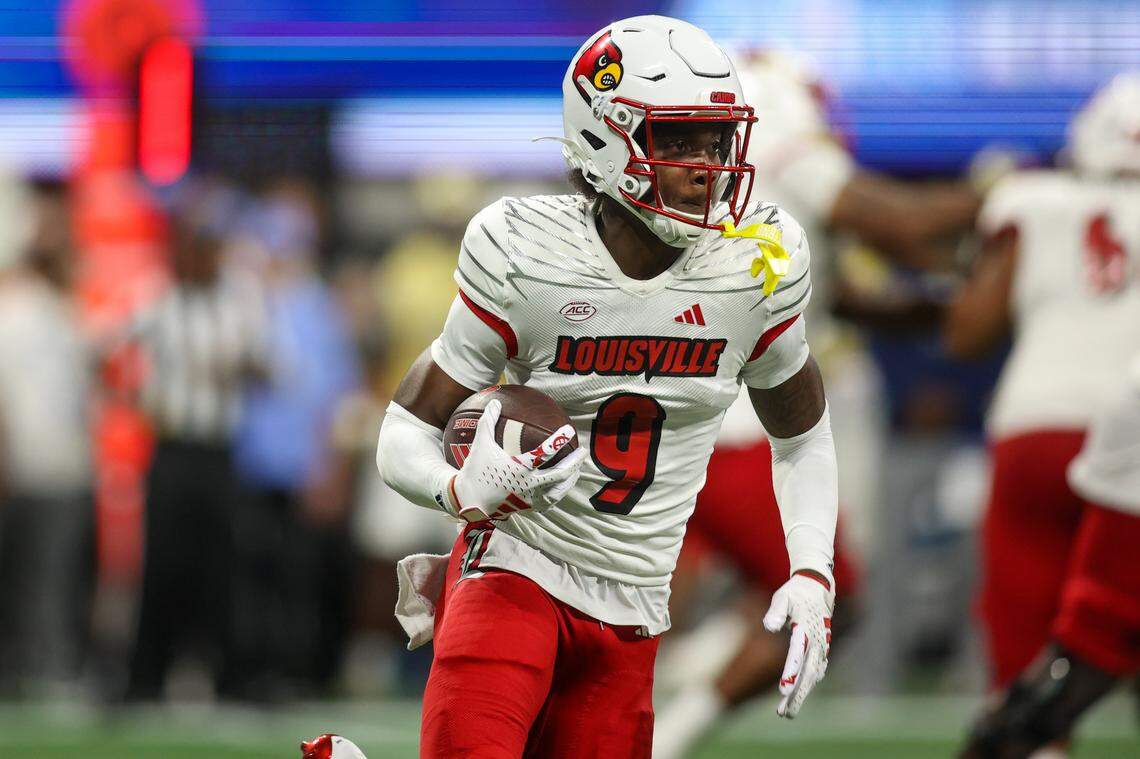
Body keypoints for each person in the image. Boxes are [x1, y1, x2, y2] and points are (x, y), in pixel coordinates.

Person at [376, 16, 839, 756]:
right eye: (678, 141)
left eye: (717, 140)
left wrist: (813, 569)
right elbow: (405, 428)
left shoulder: (755, 264)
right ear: (604, 138)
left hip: (636, 609)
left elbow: (802, 437)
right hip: (515, 572)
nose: (706, 166)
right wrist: (456, 490)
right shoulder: (528, 253)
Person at [654, 50, 985, 759]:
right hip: (738, 426)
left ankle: (654, 708)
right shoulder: (777, 138)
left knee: (692, 597)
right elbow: (898, 222)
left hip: (680, 417)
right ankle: (665, 736)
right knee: (822, 594)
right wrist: (1003, 192)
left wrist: (938, 309)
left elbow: (835, 298)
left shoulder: (713, 185)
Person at [945, 72, 1140, 750]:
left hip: (1039, 423)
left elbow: (967, 333)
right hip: (1133, 437)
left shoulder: (1030, 200)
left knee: (1029, 648)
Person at [123, 181, 269, 700]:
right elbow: (104, 352)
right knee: (163, 562)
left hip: (217, 453)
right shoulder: (157, 299)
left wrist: (240, 367)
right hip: (172, 450)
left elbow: (271, 367)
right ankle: (146, 676)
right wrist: (134, 400)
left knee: (221, 565)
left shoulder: (238, 303)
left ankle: (228, 676)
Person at [961, 352, 1140, 758]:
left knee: (1072, 647)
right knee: (1085, 647)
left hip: (1041, 425)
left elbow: (964, 336)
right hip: (1115, 432)